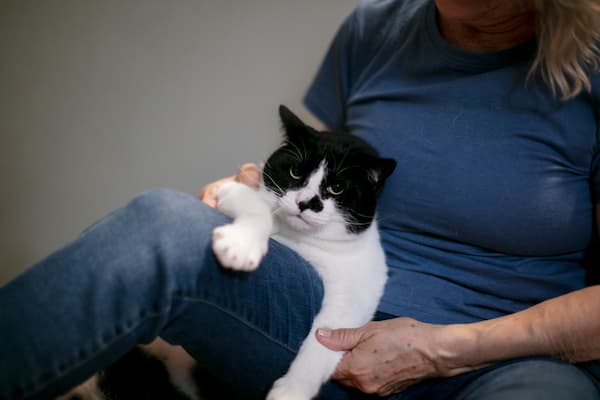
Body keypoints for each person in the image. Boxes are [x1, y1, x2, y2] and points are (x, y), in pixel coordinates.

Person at [2, 0, 600, 399]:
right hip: (315, 317)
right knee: (167, 223)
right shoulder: (377, 27)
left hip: (503, 356)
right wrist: (253, 195)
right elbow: (314, 165)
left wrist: (442, 351)